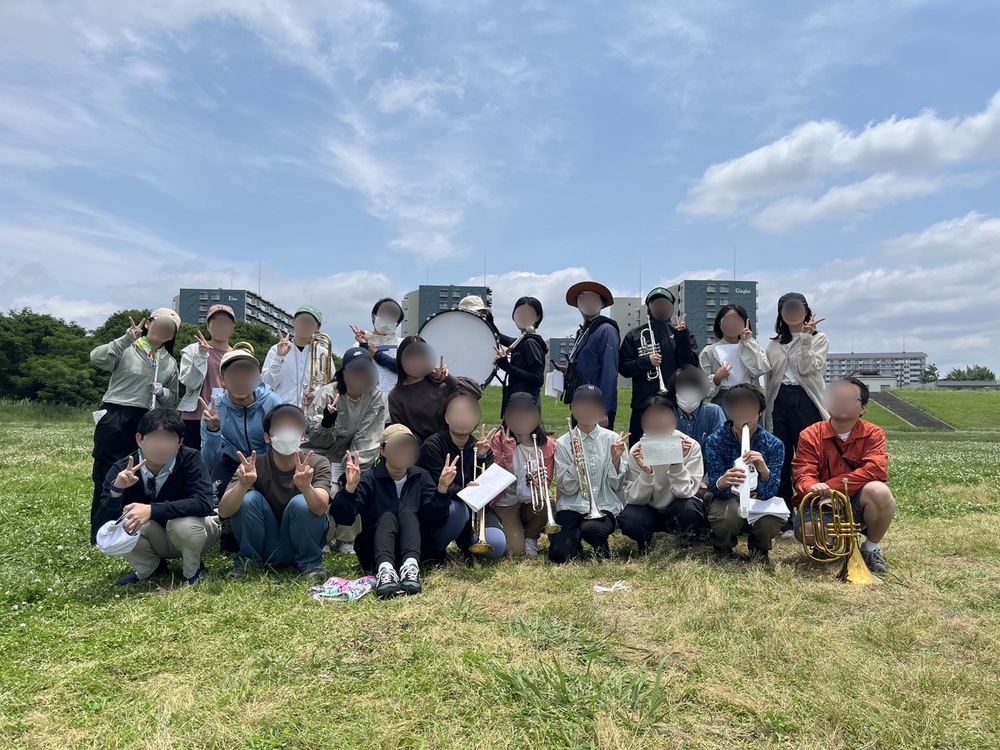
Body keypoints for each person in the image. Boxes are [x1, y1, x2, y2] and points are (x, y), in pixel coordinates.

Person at [96, 409, 219, 586]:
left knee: (183, 524)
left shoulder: (190, 459)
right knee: (127, 522)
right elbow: (105, 524)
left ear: (180, 442)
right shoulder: (122, 469)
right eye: (155, 438)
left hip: (193, 531)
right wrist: (117, 491)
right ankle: (150, 567)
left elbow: (204, 503)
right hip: (155, 535)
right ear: (140, 439)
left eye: (169, 438)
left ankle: (193, 570)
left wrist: (152, 510)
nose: (162, 446)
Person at [89, 308, 181, 543]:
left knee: (139, 473)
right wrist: (125, 339)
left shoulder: (170, 362)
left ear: (172, 335)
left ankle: (131, 532)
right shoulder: (129, 347)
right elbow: (97, 358)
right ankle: (100, 533)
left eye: (169, 329)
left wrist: (162, 392)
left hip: (147, 417)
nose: (163, 330)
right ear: (148, 324)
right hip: (116, 413)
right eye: (160, 324)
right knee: (106, 473)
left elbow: (172, 398)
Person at [332, 425, 452, 598]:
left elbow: (436, 519)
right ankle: (385, 571)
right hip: (374, 551)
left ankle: (410, 568)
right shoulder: (369, 478)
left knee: (408, 513)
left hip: (415, 548)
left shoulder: (422, 477)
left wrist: (442, 489)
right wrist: (350, 488)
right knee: (387, 515)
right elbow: (343, 517)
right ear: (383, 451)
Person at [792, 377, 895, 573]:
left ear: (863, 408)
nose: (839, 402)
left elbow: (876, 469)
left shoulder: (873, 433)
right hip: (819, 503)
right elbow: (802, 472)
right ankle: (828, 543)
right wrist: (813, 487)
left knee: (879, 491)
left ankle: (871, 548)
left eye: (847, 398)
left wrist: (830, 487)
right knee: (809, 532)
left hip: (855, 503)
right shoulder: (810, 434)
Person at [219, 405, 332, 578]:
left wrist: (306, 488)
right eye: (280, 427)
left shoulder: (318, 463)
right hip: (266, 545)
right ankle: (248, 563)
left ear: (302, 435)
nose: (287, 432)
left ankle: (311, 565)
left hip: (298, 543)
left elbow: (320, 508)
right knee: (248, 499)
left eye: (293, 427)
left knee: (302, 502)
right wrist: (242, 486)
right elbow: (224, 511)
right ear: (267, 437)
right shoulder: (252, 465)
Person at [303, 347, 386, 555]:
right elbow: (315, 437)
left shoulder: (375, 396)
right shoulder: (327, 393)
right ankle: (322, 536)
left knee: (353, 483)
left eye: (364, 371)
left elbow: (369, 436)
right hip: (319, 452)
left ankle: (346, 539)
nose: (359, 376)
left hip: (351, 454)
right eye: (354, 371)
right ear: (344, 373)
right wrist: (327, 423)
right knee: (326, 488)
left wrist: (353, 466)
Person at [418, 393, 505, 562]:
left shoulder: (483, 447)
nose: (462, 418)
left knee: (497, 545)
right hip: (445, 507)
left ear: (476, 419)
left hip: (477, 509)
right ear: (446, 418)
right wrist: (466, 491)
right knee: (459, 510)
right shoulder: (433, 445)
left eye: (468, 413)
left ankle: (469, 543)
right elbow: (436, 484)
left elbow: (486, 486)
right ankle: (436, 549)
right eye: (457, 412)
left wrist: (481, 457)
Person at [703, 385, 786, 562]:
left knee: (770, 519)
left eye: (749, 408)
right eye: (737, 407)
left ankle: (759, 549)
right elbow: (715, 488)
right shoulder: (715, 440)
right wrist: (723, 482)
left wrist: (763, 470)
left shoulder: (774, 444)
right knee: (727, 515)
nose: (743, 412)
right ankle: (722, 546)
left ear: (760, 411)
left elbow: (771, 490)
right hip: (728, 498)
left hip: (759, 498)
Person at [764, 292, 830, 506]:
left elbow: (807, 368)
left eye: (797, 309)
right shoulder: (774, 344)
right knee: (780, 455)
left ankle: (811, 507)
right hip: (778, 399)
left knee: (808, 455)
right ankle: (781, 511)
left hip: (806, 399)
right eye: (788, 309)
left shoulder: (819, 339)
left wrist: (805, 339)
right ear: (781, 315)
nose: (792, 313)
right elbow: (768, 375)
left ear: (806, 312)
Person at [550, 385, 628, 563]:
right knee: (559, 555)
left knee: (592, 530)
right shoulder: (563, 443)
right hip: (572, 506)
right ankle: (575, 545)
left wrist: (616, 460)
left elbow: (617, 486)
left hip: (604, 504)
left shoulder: (613, 439)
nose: (587, 409)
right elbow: (567, 489)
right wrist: (575, 463)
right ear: (573, 408)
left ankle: (600, 548)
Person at [619, 395, 705, 554]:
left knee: (689, 510)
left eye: (663, 416)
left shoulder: (690, 446)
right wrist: (647, 472)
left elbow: (685, 492)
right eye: (651, 417)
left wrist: (676, 463)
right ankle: (645, 543)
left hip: (677, 506)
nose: (657, 422)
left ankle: (686, 542)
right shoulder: (637, 450)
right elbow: (633, 499)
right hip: (649, 508)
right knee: (629, 518)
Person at [619, 287, 699, 445]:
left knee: (676, 449)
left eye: (664, 303)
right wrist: (646, 362)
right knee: (640, 449)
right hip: (642, 403)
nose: (661, 307)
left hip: (675, 403)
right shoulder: (634, 335)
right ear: (649, 307)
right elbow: (623, 368)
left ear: (672, 307)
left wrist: (682, 338)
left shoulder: (683, 333)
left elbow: (690, 366)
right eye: (656, 304)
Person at [490, 392, 556, 557]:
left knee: (544, 502)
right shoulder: (498, 439)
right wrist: (507, 454)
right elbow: (493, 478)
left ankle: (531, 538)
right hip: (507, 500)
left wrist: (539, 481)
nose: (522, 418)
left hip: (530, 499)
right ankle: (516, 532)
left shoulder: (546, 444)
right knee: (515, 551)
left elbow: (547, 481)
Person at [388, 335, 482, 443]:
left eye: (421, 356)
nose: (416, 361)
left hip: (456, 444)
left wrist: (449, 378)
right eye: (410, 357)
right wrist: (428, 448)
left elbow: (476, 393)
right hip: (423, 449)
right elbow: (403, 433)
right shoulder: (396, 396)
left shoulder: (443, 383)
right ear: (401, 360)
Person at [558, 281, 621, 429]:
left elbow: (610, 372)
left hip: (595, 404)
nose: (587, 301)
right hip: (580, 401)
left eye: (592, 298)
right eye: (582, 297)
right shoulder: (584, 332)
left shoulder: (606, 330)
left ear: (602, 303)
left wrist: (604, 409)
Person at [177, 304, 235, 450]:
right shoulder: (193, 350)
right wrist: (201, 355)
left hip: (226, 416)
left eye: (225, 322)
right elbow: (190, 382)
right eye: (216, 322)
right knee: (191, 458)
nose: (221, 326)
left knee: (221, 459)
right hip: (195, 416)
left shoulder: (238, 354)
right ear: (208, 326)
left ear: (232, 327)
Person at [262, 304, 333, 407]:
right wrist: (278, 358)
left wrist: (318, 393)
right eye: (302, 320)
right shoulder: (276, 349)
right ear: (294, 321)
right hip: (282, 410)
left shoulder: (323, 353)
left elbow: (332, 386)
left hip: (313, 412)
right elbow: (266, 385)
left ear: (318, 327)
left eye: (309, 322)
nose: (305, 325)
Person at [700, 304, 769, 408]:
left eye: (736, 320)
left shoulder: (752, 346)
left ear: (745, 323)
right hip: (722, 399)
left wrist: (748, 343)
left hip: (749, 397)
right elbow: (701, 388)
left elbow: (761, 369)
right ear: (719, 323)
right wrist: (716, 378)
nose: (732, 324)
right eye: (728, 319)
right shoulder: (709, 351)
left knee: (747, 419)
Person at [493, 297, 548, 416]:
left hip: (526, 405)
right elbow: (499, 337)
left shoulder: (530, 343)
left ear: (537, 317)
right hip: (518, 402)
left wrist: (507, 367)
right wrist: (489, 320)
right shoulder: (521, 341)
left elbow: (538, 380)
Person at [349, 297, 404, 411]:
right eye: (384, 312)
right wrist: (364, 346)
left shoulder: (403, 344)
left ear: (397, 322)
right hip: (366, 407)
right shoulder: (358, 345)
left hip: (397, 407)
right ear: (374, 315)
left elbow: (406, 369)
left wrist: (376, 354)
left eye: (393, 315)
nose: (387, 317)